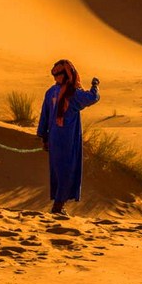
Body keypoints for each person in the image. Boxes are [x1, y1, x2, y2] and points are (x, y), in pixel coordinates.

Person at [36, 60, 100, 217]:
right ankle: (58, 206)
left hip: (54, 138)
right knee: (67, 170)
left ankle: (59, 204)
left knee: (58, 171)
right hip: (68, 139)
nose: (55, 77)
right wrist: (95, 85)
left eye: (57, 74)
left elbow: (44, 116)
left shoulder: (51, 92)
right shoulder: (73, 93)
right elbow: (92, 97)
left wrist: (44, 137)